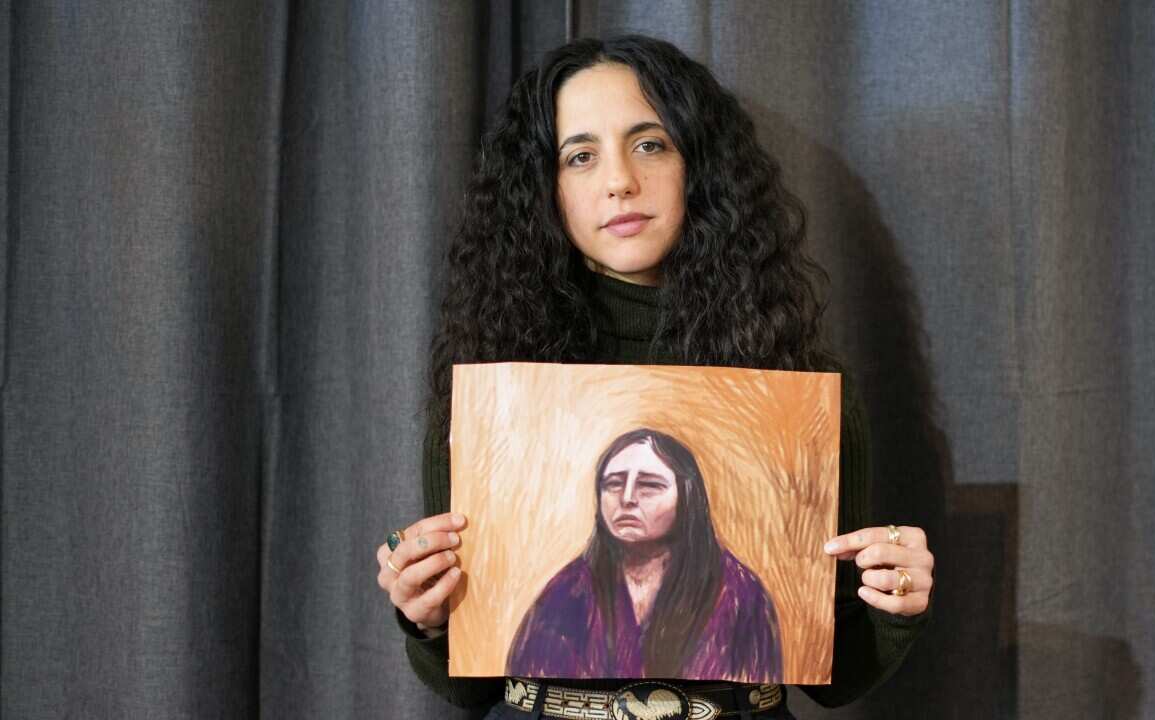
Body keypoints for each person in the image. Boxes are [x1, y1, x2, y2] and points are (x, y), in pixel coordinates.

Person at [375, 34, 935, 720]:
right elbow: (466, 685)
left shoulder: (800, 391)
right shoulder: (492, 397)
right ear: (542, 191)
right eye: (580, 156)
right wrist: (427, 616)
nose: (619, 181)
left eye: (650, 144)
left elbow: (833, 674)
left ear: (698, 164)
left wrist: (893, 606)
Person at [505, 428, 783, 681]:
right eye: (613, 484)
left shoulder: (737, 591)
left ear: (687, 496)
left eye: (649, 485)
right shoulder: (568, 590)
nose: (626, 498)